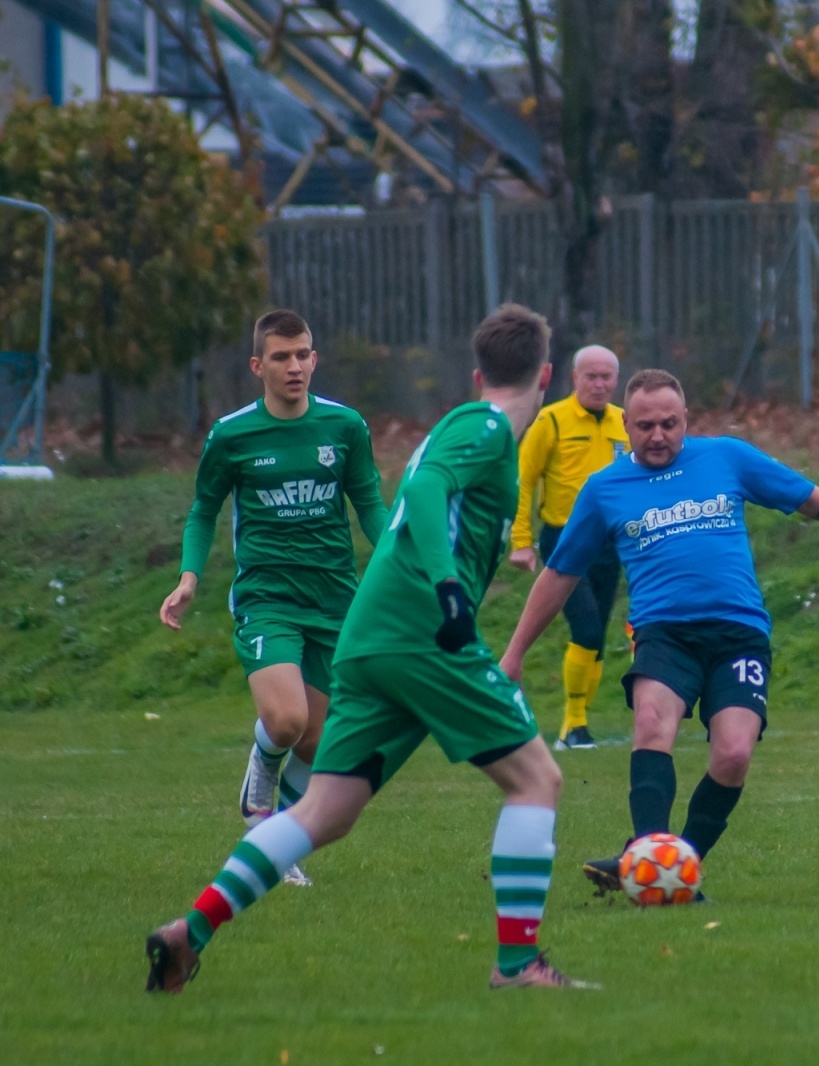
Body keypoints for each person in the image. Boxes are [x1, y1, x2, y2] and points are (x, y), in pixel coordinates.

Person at [146, 304, 594, 993]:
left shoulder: (455, 422)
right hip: (421, 631)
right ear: (547, 373)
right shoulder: (486, 427)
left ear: (478, 371)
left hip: (367, 633)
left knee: (326, 811)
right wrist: (448, 592)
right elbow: (425, 487)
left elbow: (404, 501)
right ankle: (518, 965)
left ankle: (190, 930)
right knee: (538, 779)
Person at [499, 370, 819, 893]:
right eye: (644, 426)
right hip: (664, 633)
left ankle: (676, 863)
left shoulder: (727, 457)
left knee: (733, 754)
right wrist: (514, 653)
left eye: (669, 423)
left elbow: (816, 501)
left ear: (686, 419)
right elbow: (560, 574)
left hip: (738, 633)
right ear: (625, 425)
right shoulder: (604, 489)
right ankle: (649, 860)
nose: (658, 435)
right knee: (652, 723)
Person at [160, 310, 388, 886]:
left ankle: (277, 844)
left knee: (319, 737)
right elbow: (203, 510)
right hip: (268, 598)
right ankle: (261, 765)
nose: (295, 366)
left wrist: (399, 569)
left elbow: (371, 508)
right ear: (258, 365)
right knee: (287, 721)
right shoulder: (233, 434)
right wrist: (189, 577)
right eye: (282, 357)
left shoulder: (345, 427)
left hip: (336, 601)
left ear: (315, 358)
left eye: (304, 354)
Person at [507, 345, 628, 751]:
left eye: (606, 377)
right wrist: (521, 541)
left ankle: (580, 725)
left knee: (598, 634)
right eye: (591, 376)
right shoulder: (551, 421)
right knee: (587, 628)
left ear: (616, 380)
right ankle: (572, 726)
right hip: (565, 538)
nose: (599, 384)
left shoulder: (625, 423)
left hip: (611, 539)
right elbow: (522, 479)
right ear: (574, 378)